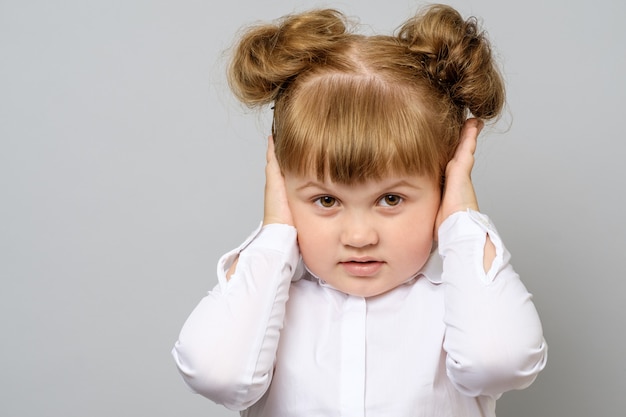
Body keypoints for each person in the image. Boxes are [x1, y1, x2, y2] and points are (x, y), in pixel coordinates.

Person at [172, 4, 547, 416]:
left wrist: (460, 217)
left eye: (391, 199)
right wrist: (276, 231)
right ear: (282, 186)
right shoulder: (267, 305)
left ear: (442, 187)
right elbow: (217, 374)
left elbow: (501, 362)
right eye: (326, 200)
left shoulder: (460, 304)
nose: (359, 236)